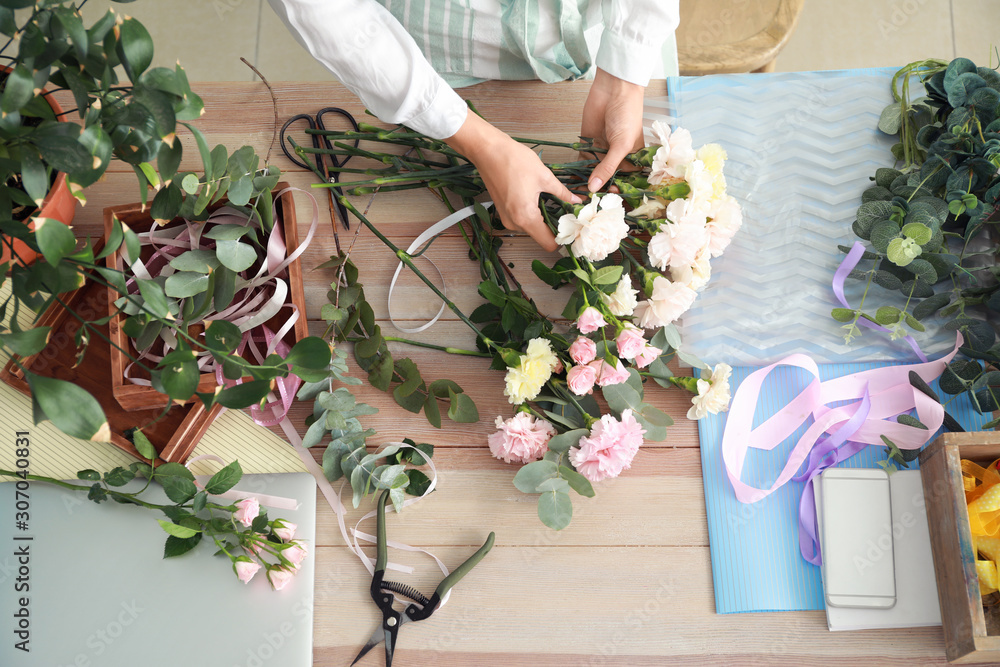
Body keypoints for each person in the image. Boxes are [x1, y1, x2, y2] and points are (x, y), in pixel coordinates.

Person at [268, 0, 680, 250]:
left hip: (584, 30)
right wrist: (477, 141)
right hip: (417, 47)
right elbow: (327, 13)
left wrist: (623, 79)